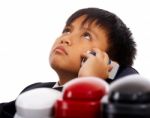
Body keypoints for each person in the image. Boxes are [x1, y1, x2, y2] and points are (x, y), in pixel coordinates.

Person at [0, 7, 138, 118]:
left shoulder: (108, 104)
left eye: (86, 35)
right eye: (67, 30)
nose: (66, 38)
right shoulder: (34, 90)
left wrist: (89, 82)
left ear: (108, 63)